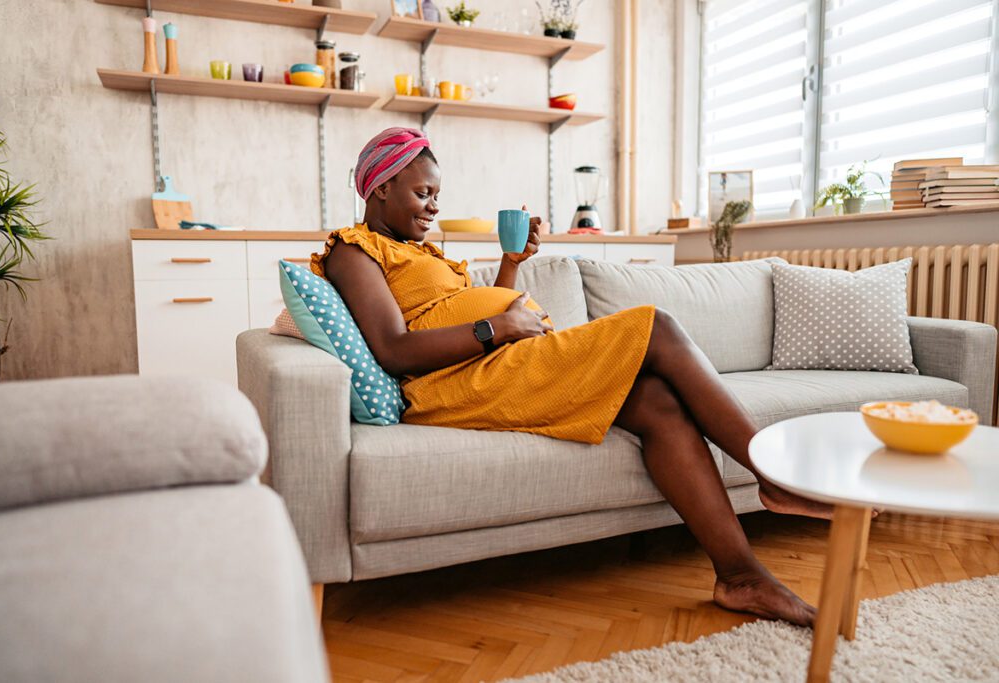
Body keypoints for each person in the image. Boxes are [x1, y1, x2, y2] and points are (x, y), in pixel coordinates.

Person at [312, 127, 831, 627]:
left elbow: (463, 309)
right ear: (381, 186)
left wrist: (511, 267)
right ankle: (775, 473)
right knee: (657, 327)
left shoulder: (420, 251)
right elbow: (395, 349)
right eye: (424, 193)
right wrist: (499, 325)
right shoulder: (353, 250)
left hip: (494, 364)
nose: (434, 206)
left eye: (437, 195)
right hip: (452, 383)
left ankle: (741, 578)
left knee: (657, 403)